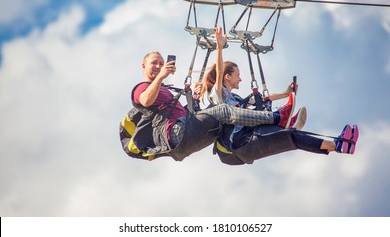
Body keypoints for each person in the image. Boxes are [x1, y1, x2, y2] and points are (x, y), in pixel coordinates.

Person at [198, 27, 359, 165]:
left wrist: (286, 93)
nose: (240, 78)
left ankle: (339, 145)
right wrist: (219, 48)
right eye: (237, 75)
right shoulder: (217, 96)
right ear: (228, 77)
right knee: (288, 135)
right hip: (233, 145)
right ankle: (280, 117)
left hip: (246, 139)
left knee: (291, 137)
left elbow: (261, 99)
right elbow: (219, 72)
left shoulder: (237, 100)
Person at [129, 49, 298, 162]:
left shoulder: (163, 90)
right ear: (144, 66)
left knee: (235, 119)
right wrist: (161, 76)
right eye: (154, 63)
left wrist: (194, 98)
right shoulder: (141, 88)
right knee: (223, 111)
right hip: (177, 137)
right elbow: (145, 100)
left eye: (161, 63)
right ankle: (277, 117)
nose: (159, 66)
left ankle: (281, 125)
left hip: (185, 136)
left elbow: (257, 99)